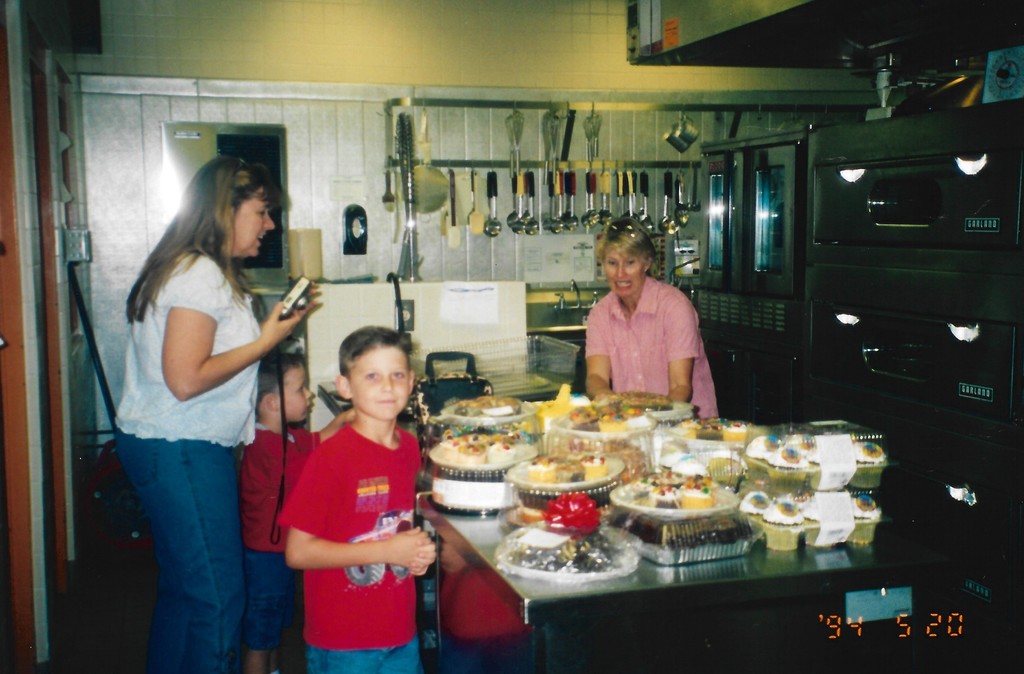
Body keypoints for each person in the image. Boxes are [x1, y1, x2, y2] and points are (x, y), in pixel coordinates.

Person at [116, 155, 309, 674]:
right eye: (262, 212)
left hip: (168, 446)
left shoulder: (193, 268)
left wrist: (269, 331)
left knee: (185, 593)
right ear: (227, 210)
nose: (269, 225)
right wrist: (268, 340)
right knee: (218, 599)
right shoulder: (201, 274)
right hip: (182, 449)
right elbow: (185, 379)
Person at [280, 326, 436, 674]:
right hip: (343, 642)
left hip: (400, 631)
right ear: (345, 387)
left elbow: (394, 525)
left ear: (411, 382)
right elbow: (298, 552)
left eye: (397, 375)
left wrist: (415, 554)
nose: (387, 386)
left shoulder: (410, 447)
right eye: (372, 376)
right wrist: (386, 551)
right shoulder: (331, 458)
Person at [238, 351, 352, 674]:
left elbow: (313, 442)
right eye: (301, 389)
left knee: (271, 635)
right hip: (266, 560)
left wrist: (342, 421)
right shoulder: (267, 448)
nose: (308, 395)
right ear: (272, 403)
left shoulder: (280, 436)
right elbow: (311, 462)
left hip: (276, 554)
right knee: (260, 641)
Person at [585, 217, 718, 418]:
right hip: (632, 425)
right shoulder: (600, 315)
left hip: (688, 427)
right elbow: (596, 376)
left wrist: (652, 420)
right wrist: (606, 398)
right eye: (612, 263)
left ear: (646, 263)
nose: (620, 274)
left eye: (630, 262)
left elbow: (680, 386)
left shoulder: (674, 307)